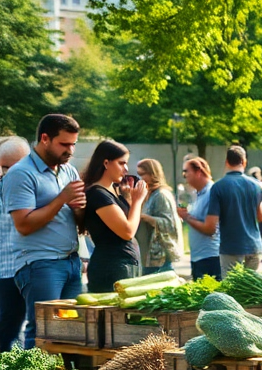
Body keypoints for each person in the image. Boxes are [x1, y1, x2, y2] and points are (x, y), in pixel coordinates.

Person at [4, 115, 86, 348]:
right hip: (40, 264)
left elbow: (77, 218)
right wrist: (62, 199)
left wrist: (80, 208)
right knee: (42, 330)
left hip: (71, 262)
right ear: (45, 139)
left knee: (69, 331)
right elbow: (24, 225)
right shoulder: (21, 173)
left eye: (73, 144)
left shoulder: (68, 171)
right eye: (64, 144)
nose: (70, 150)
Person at [81, 140, 148, 292]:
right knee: (113, 316)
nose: (126, 169)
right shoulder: (98, 194)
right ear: (106, 163)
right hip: (111, 267)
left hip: (125, 265)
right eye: (121, 163)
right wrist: (138, 200)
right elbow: (127, 231)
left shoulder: (112, 192)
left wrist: (129, 198)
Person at [202, 145, 262, 272]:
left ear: (226, 162)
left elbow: (211, 224)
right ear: (244, 162)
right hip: (254, 246)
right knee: (251, 288)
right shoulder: (256, 186)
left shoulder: (218, 187)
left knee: (230, 287)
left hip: (231, 246)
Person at [0, 138, 32, 350]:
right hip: (7, 270)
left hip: (28, 266)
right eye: (3, 167)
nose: (6, 173)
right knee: (8, 327)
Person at [133, 158, 182, 275]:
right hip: (148, 255)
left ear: (152, 174)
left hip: (160, 256)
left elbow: (169, 224)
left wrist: (146, 218)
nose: (140, 178)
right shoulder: (149, 194)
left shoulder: (161, 195)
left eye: (142, 174)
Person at [177, 158, 221, 279]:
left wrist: (186, 217)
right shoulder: (199, 194)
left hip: (210, 257)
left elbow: (210, 228)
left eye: (186, 171)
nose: (184, 175)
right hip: (199, 257)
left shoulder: (211, 192)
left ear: (198, 172)